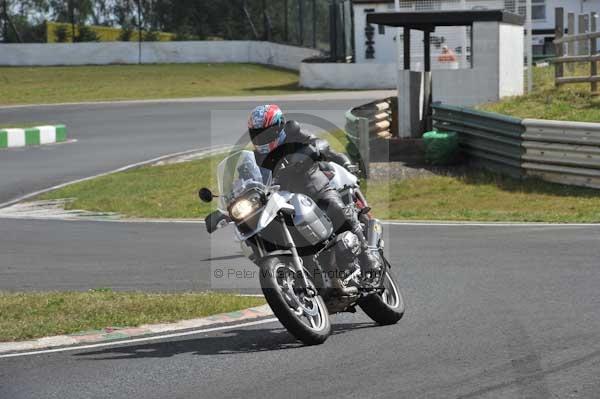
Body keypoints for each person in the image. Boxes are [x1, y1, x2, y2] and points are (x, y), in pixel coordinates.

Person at [247, 104, 379, 278]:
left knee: (333, 205)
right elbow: (247, 181)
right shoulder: (255, 157)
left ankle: (366, 254)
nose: (261, 139)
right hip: (283, 201)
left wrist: (310, 151)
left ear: (278, 127)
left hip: (312, 188)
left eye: (266, 133)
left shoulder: (293, 133)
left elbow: (318, 142)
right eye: (257, 134)